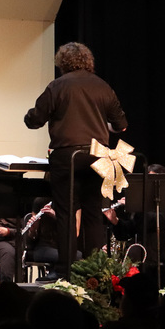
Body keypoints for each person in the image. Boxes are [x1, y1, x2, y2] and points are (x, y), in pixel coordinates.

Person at [24, 42, 128, 276]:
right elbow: (120, 125)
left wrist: (28, 116)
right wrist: (101, 126)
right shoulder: (102, 86)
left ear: (62, 62)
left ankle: (67, 271)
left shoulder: (57, 86)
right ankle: (94, 273)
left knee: (67, 213)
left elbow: (35, 120)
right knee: (93, 212)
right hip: (98, 155)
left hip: (67, 156)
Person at [104, 164, 165, 284]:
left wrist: (136, 207)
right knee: (132, 253)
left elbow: (158, 221)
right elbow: (128, 231)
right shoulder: (141, 201)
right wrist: (115, 221)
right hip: (147, 245)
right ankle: (130, 292)